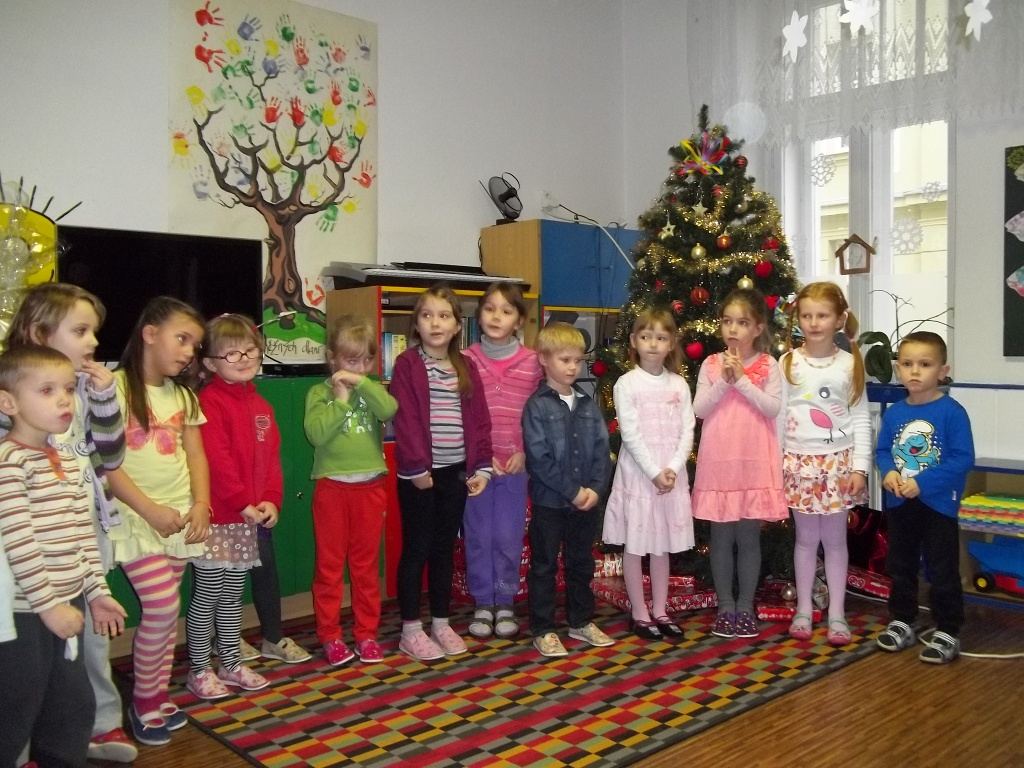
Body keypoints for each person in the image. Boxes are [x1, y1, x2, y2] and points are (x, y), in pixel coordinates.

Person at [3, 282, 138, 762]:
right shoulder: (16, 419)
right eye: (80, 331)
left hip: (76, 539)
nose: (93, 341)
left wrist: (103, 400)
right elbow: (16, 528)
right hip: (27, 567)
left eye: (93, 331)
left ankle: (90, 731)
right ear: (40, 333)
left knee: (79, 661)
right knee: (23, 678)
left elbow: (110, 458)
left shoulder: (82, 390)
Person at [104, 296, 211, 746]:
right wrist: (148, 510)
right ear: (149, 333)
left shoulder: (183, 396)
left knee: (167, 613)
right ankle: (144, 700)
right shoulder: (111, 388)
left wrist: (201, 504)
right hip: (136, 518)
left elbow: (196, 455)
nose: (188, 352)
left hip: (178, 516)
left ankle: (157, 692)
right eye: (181, 339)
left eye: (194, 345)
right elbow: (106, 465)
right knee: (164, 606)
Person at [390, 284, 492, 661]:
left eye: (444, 316)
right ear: (416, 324)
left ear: (456, 325)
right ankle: (410, 629)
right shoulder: (407, 364)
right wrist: (416, 467)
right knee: (416, 549)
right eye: (427, 315)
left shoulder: (466, 365)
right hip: (420, 476)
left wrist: (482, 467)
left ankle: (440, 621)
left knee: (444, 549)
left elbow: (480, 420)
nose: (435, 323)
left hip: (455, 473)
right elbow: (406, 420)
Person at [185, 314, 278, 700]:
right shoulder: (208, 402)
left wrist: (271, 499)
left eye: (250, 350)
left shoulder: (261, 405)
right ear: (210, 363)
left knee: (231, 596)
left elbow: (271, 460)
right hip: (218, 519)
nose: (244, 358)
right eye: (231, 353)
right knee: (208, 594)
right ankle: (198, 668)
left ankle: (231, 662)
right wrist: (242, 502)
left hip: (246, 520)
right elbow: (216, 460)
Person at [692, 289, 788, 640]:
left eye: (742, 322)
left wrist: (743, 381)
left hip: (753, 463)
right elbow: (699, 409)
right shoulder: (710, 364)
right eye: (727, 321)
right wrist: (724, 380)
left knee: (748, 537)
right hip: (720, 463)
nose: (733, 329)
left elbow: (772, 408)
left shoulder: (769, 365)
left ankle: (745, 607)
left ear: (758, 327)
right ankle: (725, 608)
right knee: (721, 537)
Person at [779, 282, 870, 647]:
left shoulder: (849, 364)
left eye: (822, 315)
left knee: (834, 542)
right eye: (807, 315)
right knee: (805, 540)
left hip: (838, 466)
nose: (814, 323)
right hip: (798, 465)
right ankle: (803, 610)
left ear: (839, 319)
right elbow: (779, 417)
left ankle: (837, 614)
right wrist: (775, 465)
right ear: (798, 319)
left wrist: (860, 469)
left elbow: (860, 418)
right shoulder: (788, 362)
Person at [875, 331, 973, 664]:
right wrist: (888, 472)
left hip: (938, 506)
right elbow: (883, 451)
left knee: (942, 568)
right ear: (897, 369)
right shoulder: (894, 413)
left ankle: (948, 628)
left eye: (925, 364)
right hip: (901, 504)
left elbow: (962, 459)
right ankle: (903, 619)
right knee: (900, 565)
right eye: (907, 364)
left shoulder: (952, 412)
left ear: (943, 371)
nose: (914, 371)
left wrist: (924, 483)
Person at [304, 314, 397, 665]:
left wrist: (362, 382)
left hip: (370, 489)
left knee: (365, 567)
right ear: (333, 358)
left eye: (365, 360)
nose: (358, 368)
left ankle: (366, 634)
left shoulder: (371, 390)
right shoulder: (319, 393)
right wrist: (341, 400)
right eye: (350, 360)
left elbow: (389, 408)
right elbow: (316, 434)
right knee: (329, 568)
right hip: (332, 489)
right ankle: (330, 635)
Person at [603, 309, 694, 641]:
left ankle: (660, 609)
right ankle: (640, 612)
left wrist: (673, 468)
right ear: (634, 341)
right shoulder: (626, 384)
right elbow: (630, 434)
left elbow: (687, 430)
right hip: (640, 477)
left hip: (670, 475)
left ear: (671, 343)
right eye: (646, 337)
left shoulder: (679, 384)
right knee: (636, 544)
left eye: (660, 338)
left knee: (661, 545)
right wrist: (654, 472)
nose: (653, 344)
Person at [523, 322, 613, 657]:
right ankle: (543, 628)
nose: (573, 367)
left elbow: (602, 452)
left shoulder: (588, 405)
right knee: (544, 565)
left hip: (585, 504)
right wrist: (573, 491)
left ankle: (580, 620)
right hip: (550, 503)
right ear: (544, 359)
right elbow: (539, 459)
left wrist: (595, 490)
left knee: (581, 563)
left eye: (577, 360)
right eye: (565, 360)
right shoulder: (537, 406)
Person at [462, 284, 542, 640]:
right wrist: (479, 456)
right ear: (479, 315)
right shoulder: (465, 360)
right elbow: (460, 415)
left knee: (508, 536)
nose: (497, 317)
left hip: (514, 468)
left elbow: (538, 415)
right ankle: (483, 601)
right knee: (479, 536)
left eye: (506, 311)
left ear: (519, 321)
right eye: (490, 309)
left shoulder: (533, 363)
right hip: (477, 467)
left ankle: (505, 600)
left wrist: (524, 451)